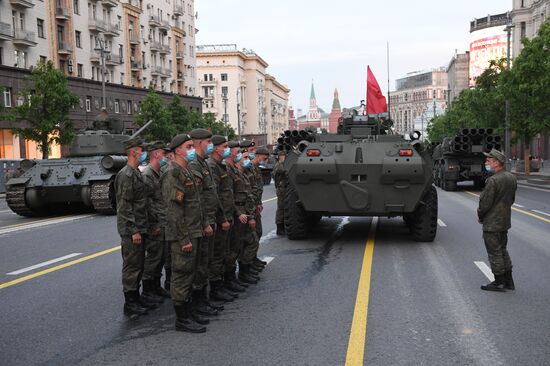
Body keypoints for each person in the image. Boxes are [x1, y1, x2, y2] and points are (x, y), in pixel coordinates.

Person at [161, 133, 206, 333]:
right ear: (177, 150)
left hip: (194, 230)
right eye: (188, 146)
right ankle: (181, 319)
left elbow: (194, 204)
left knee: (191, 274)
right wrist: (183, 238)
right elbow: (173, 210)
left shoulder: (185, 171)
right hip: (184, 235)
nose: (191, 150)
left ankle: (188, 311)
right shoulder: (173, 174)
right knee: (181, 275)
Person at [188, 128, 232, 310]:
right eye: (209, 142)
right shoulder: (195, 166)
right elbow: (196, 200)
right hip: (200, 223)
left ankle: (206, 298)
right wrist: (206, 222)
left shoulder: (204, 164)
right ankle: (197, 302)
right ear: (200, 143)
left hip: (211, 220)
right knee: (200, 263)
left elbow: (213, 195)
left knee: (208, 260)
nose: (211, 145)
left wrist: (220, 218)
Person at [115, 137, 150, 317]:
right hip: (132, 230)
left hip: (140, 226)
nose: (143, 152)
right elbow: (124, 206)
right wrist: (134, 230)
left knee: (139, 264)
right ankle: (130, 303)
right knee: (132, 266)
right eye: (140, 149)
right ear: (133, 152)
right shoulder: (126, 175)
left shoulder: (136, 172)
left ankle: (136, 297)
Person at [207, 136, 246, 296]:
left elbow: (227, 194)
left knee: (226, 251)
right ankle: (216, 287)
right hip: (220, 219)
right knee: (217, 254)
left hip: (229, 216)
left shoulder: (221, 166)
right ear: (216, 148)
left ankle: (226, 281)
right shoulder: (212, 166)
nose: (228, 149)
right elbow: (214, 197)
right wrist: (221, 218)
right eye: (225, 146)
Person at [478, 149, 517, 292]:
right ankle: (509, 281)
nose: (486, 163)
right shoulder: (511, 178)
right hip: (505, 221)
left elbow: (485, 203)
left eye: (489, 161)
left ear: (496, 163)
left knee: (494, 252)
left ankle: (498, 282)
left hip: (492, 222)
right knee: (503, 250)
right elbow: (511, 200)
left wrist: (481, 215)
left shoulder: (493, 180)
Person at [141, 141, 171, 302]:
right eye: (163, 153)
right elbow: (146, 203)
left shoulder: (158, 173)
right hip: (156, 224)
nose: (165, 157)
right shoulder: (147, 175)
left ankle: (156, 287)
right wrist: (154, 224)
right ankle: (147, 291)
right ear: (156, 154)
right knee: (153, 258)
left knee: (160, 257)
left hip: (163, 222)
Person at [226, 142, 259, 285]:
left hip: (244, 212)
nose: (243, 157)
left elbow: (246, 194)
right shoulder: (229, 170)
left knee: (244, 244)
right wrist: (240, 213)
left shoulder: (238, 171)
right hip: (238, 214)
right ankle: (233, 278)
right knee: (235, 247)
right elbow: (228, 196)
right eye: (239, 153)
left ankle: (243, 272)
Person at [272, 150, 287, 235]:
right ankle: (279, 227)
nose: (283, 157)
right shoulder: (279, 164)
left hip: (283, 188)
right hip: (281, 188)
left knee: (284, 208)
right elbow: (283, 170)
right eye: (282, 155)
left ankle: (282, 226)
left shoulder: (281, 163)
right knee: (281, 208)